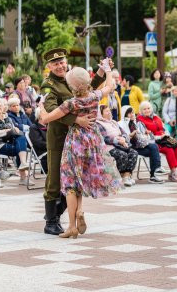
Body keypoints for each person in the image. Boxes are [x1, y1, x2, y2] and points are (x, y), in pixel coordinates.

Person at [39, 62, 123, 239]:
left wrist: (41, 106)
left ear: (72, 86)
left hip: (74, 143)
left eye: (62, 62)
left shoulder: (71, 102)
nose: (61, 65)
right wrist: (106, 70)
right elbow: (108, 86)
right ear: (50, 66)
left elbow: (46, 117)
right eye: (56, 63)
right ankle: (79, 211)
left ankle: (69, 226)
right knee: (79, 178)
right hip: (91, 141)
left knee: (70, 182)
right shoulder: (92, 96)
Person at [0, 97, 32, 186]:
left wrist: (15, 129)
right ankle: (23, 176)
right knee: (20, 149)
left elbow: (12, 130)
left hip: (9, 142)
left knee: (21, 138)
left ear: (3, 107)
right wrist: (6, 131)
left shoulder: (7, 117)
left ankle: (23, 164)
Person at [137, 101, 177, 182]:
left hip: (164, 140)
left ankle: (173, 172)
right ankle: (174, 173)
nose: (147, 110)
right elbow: (145, 137)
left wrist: (166, 135)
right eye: (144, 109)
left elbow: (165, 128)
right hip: (154, 142)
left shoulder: (156, 117)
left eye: (148, 108)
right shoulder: (140, 121)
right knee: (169, 150)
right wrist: (159, 137)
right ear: (141, 111)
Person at [119, 105, 163, 184]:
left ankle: (154, 173)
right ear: (125, 114)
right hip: (129, 148)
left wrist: (144, 134)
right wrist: (131, 135)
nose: (132, 115)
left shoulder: (135, 123)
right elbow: (122, 139)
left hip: (138, 146)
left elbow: (140, 138)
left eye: (133, 113)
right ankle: (155, 172)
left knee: (153, 147)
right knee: (153, 149)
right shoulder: (121, 124)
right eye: (129, 113)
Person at [97, 105, 138, 187]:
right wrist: (117, 140)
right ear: (101, 114)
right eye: (107, 111)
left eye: (110, 111)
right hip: (109, 147)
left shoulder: (114, 122)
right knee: (122, 155)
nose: (110, 113)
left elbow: (124, 134)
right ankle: (119, 176)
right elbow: (104, 138)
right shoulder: (99, 124)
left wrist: (123, 138)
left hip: (121, 144)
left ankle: (126, 176)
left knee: (134, 153)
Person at [29, 107, 48, 173]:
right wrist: (53, 145)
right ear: (40, 115)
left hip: (50, 149)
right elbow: (38, 143)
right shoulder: (34, 127)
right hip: (42, 152)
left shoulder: (49, 126)